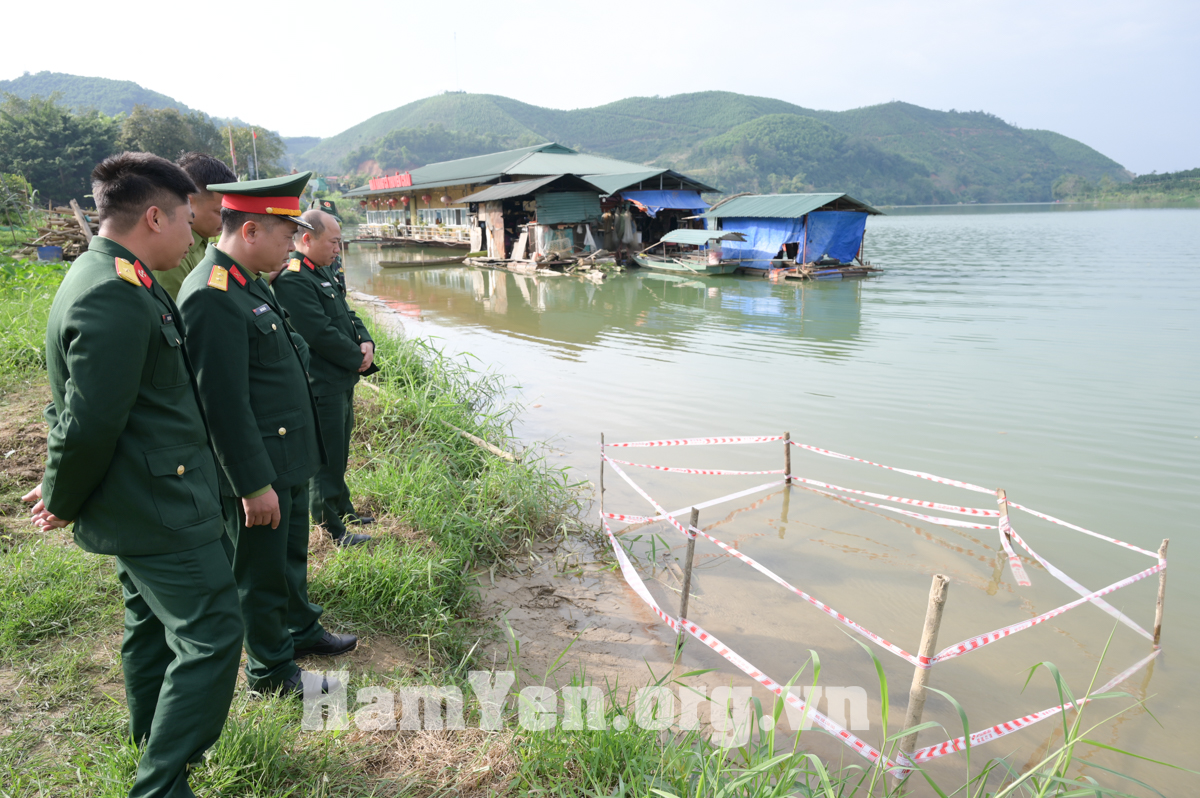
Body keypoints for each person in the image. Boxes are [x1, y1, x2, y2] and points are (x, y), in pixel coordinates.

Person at [24, 152, 243, 798]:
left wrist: (62, 481)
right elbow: (88, 421)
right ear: (154, 217)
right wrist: (62, 495)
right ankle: (160, 783)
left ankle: (152, 741)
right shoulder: (113, 293)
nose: (192, 235)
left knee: (150, 628)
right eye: (186, 220)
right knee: (212, 633)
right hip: (156, 504)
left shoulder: (111, 275)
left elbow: (89, 405)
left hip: (148, 494)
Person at [176, 171, 356, 697]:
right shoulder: (211, 294)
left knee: (288, 557)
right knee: (260, 570)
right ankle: (271, 671)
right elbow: (221, 404)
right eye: (286, 234)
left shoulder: (248, 279)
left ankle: (299, 629)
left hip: (287, 454)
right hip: (260, 464)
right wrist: (252, 484)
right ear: (251, 231)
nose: (292, 245)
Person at [274, 209, 375, 547]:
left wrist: (366, 342)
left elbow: (347, 313)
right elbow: (319, 332)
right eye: (333, 242)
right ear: (307, 239)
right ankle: (331, 528)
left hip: (341, 379)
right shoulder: (293, 279)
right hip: (322, 383)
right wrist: (357, 358)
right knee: (326, 458)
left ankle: (343, 509)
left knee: (339, 452)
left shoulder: (322, 270)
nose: (337, 248)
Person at [154, 153, 236, 300]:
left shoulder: (205, 242)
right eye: (219, 212)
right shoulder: (174, 253)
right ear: (189, 202)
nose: (226, 221)